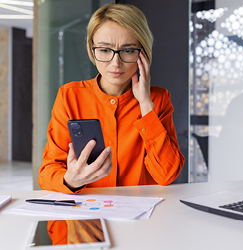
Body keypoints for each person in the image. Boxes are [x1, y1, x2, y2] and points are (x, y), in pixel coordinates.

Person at [38, 3, 185, 194]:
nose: (116, 63)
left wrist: (146, 105)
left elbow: (167, 174)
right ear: (93, 50)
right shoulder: (70, 96)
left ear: (143, 53)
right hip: (86, 214)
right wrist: (71, 180)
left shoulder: (158, 99)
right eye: (105, 50)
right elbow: (47, 172)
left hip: (141, 217)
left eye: (128, 50)